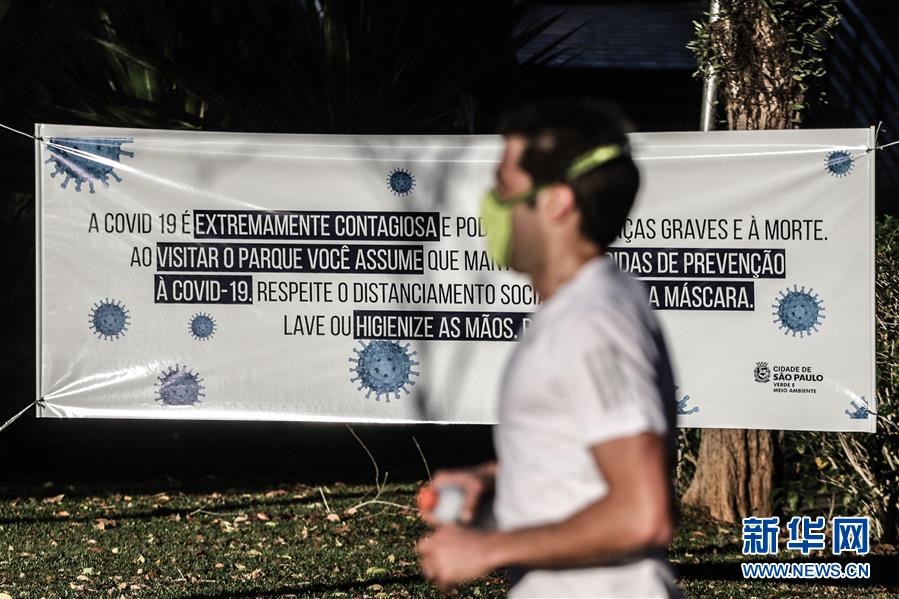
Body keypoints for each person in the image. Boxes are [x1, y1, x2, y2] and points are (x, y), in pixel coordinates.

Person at [417, 99, 681, 598]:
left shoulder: (593, 321)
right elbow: (583, 453)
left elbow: (642, 514)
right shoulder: (578, 309)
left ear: (557, 202)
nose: (491, 207)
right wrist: (493, 478)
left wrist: (487, 549)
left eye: (503, 189)